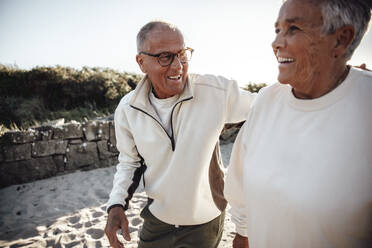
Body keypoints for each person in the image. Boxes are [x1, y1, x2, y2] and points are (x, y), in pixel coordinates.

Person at [224, 0, 372, 247]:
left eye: (293, 29)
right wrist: (242, 231)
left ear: (341, 39)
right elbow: (240, 184)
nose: (276, 43)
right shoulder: (266, 99)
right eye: (278, 30)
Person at [104, 21, 255, 248]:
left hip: (206, 220)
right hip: (157, 219)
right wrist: (116, 205)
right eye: (165, 57)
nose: (178, 66)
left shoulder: (216, 93)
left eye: (182, 54)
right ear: (141, 62)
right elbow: (129, 163)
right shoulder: (128, 108)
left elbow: (268, 108)